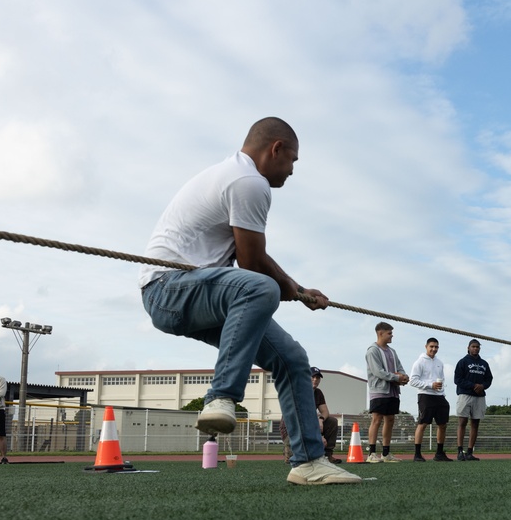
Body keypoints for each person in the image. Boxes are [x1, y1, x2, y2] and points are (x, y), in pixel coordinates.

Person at [139, 117, 361, 485]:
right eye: (292, 160)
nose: (292, 170)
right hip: (167, 289)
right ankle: (222, 397)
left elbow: (253, 262)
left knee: (293, 359)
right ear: (276, 149)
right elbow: (252, 264)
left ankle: (309, 462)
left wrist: (297, 289)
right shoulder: (249, 182)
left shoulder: (237, 175)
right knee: (260, 287)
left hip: (203, 293)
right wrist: (289, 288)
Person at [365, 322, 409, 463]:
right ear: (380, 333)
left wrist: (403, 377)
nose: (392, 336)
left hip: (393, 391)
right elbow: (378, 372)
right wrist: (396, 378)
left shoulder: (392, 351)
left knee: (390, 420)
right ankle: (372, 454)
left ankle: (386, 453)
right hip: (379, 390)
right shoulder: (372, 351)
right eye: (389, 333)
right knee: (377, 419)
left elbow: (399, 367)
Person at [279, 367, 342, 464]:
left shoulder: (318, 393)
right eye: (312, 377)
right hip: (292, 430)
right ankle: (290, 450)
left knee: (332, 421)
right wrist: (318, 436)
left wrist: (321, 419)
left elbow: (325, 412)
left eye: (318, 378)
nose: (315, 379)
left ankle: (327, 454)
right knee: (296, 460)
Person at [408, 338, 452, 462]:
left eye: (436, 347)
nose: (434, 349)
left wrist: (440, 390)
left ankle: (439, 453)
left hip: (439, 396)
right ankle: (417, 454)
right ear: (426, 346)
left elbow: (441, 379)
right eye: (431, 346)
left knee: (443, 424)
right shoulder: (419, 362)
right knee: (423, 423)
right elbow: (413, 381)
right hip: (425, 395)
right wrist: (430, 385)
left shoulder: (440, 363)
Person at [453, 339, 493, 461]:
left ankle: (470, 452)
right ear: (468, 348)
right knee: (462, 422)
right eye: (473, 346)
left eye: (477, 347)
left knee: (475, 423)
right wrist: (473, 385)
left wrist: (482, 386)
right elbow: (457, 379)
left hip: (479, 397)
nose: (475, 348)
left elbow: (489, 379)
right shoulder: (463, 362)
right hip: (465, 395)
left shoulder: (484, 364)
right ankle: (460, 451)